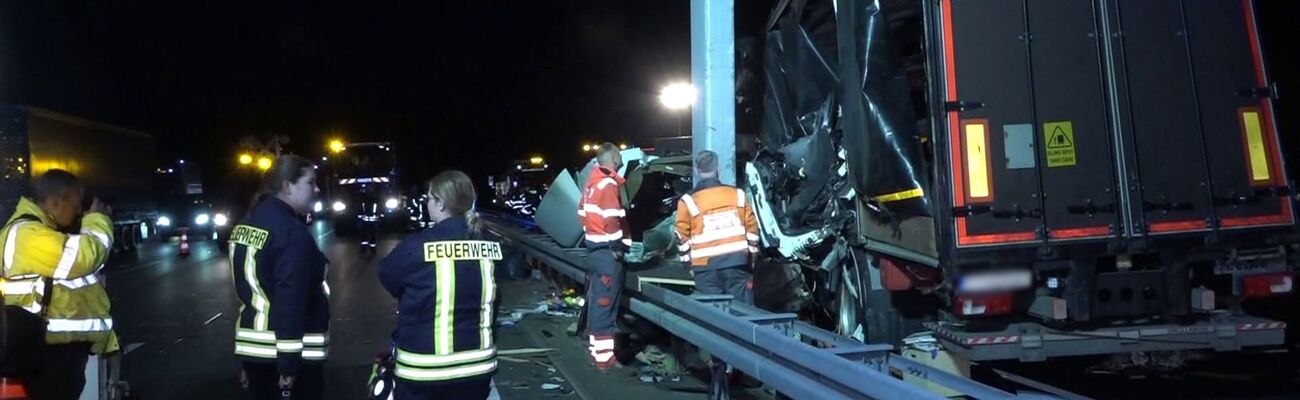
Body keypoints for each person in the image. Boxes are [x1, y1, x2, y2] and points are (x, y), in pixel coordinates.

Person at [378, 170, 501, 399]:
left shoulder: (417, 245)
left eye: (429, 199)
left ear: (441, 203)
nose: (427, 204)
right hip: (478, 371)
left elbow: (387, 276)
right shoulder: (490, 244)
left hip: (423, 371)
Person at [0, 169, 118, 399]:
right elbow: (83, 258)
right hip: (48, 353)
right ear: (55, 201)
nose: (78, 212)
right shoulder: (27, 234)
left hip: (51, 350)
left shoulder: (39, 232)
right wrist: (98, 221)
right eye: (75, 205)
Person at [229, 155, 330, 399]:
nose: (316, 189)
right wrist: (288, 364)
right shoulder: (290, 232)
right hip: (286, 353)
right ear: (287, 186)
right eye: (310, 182)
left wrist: (246, 361)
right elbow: (291, 300)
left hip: (255, 350)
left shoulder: (247, 223)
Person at [674, 150, 760, 397]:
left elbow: (681, 236)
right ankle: (746, 370)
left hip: (706, 269)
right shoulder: (738, 195)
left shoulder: (688, 202)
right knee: (743, 316)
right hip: (736, 265)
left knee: (714, 320)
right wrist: (750, 256)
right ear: (718, 169)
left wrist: (687, 264)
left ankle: (719, 371)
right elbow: (752, 229)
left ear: (697, 171)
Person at [577, 143, 631, 372]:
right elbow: (612, 219)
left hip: (594, 249)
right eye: (618, 154)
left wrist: (593, 231)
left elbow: (581, 213)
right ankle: (604, 359)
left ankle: (595, 351)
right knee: (605, 304)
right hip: (607, 252)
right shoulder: (608, 184)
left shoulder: (591, 183)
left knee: (599, 300)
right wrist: (617, 247)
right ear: (613, 159)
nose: (621, 157)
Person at [357, 188, 380, 254]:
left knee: (364, 236)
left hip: (365, 222)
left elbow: (360, 212)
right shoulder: (376, 202)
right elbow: (379, 212)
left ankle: (364, 249)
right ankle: (373, 250)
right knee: (372, 236)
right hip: (373, 223)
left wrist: (359, 219)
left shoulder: (363, 203)